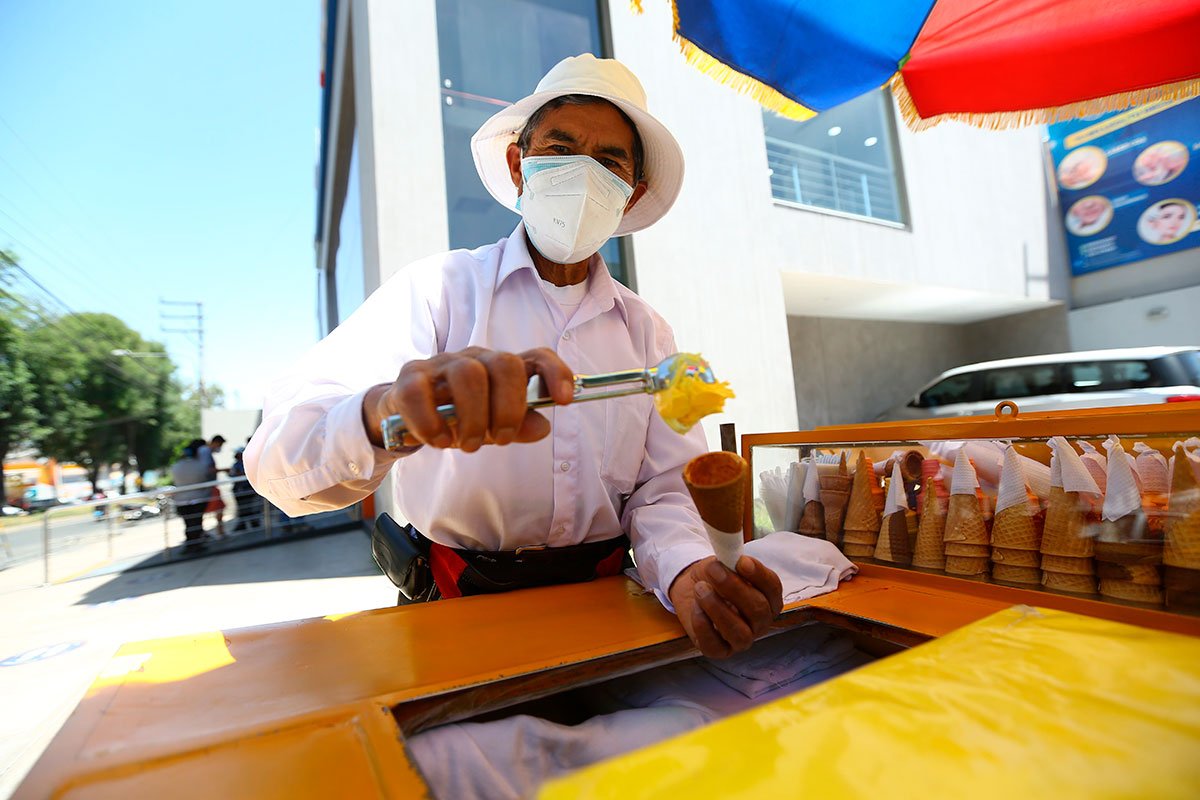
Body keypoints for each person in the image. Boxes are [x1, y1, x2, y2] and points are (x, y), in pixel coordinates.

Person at [246, 54, 781, 660]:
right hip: (451, 616)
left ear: (629, 196)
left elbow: (663, 488)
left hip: (604, 616)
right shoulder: (438, 291)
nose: (583, 174)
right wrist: (383, 414)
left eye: (609, 161)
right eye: (560, 146)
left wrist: (687, 570)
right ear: (518, 164)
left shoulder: (648, 333)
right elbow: (278, 460)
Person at [171, 439, 211, 546]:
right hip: (198, 498)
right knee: (196, 522)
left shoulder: (176, 466)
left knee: (188, 523)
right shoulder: (200, 465)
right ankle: (196, 543)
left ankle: (191, 543)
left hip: (181, 500)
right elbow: (203, 478)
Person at [228, 446, 263, 532]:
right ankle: (244, 524)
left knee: (251, 507)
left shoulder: (248, 463)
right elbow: (233, 474)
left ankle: (253, 523)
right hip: (240, 490)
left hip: (249, 489)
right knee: (242, 508)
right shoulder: (236, 464)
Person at [198, 434, 227, 536]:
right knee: (218, 508)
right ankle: (220, 532)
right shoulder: (205, 451)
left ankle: (218, 531)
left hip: (208, 486)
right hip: (208, 486)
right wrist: (225, 470)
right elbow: (207, 469)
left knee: (218, 508)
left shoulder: (204, 451)